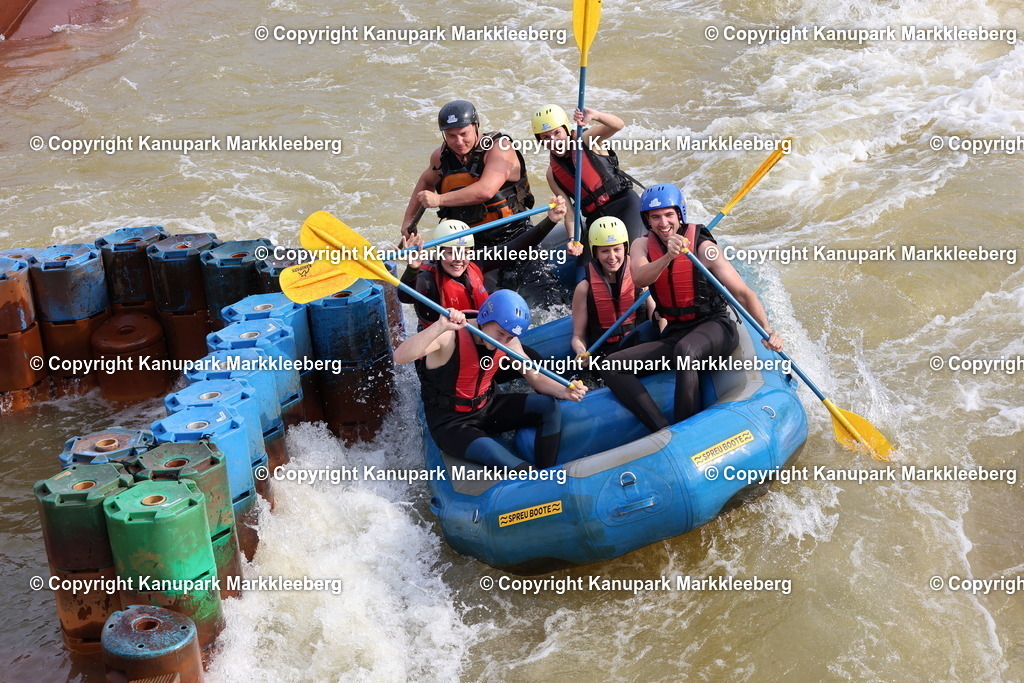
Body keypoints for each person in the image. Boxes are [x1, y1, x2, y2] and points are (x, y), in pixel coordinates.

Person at [598, 184, 784, 432]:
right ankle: (663, 429)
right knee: (612, 365)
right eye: (655, 217)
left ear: (680, 215)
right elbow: (641, 278)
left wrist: (767, 329)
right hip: (677, 332)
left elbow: (742, 292)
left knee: (686, 351)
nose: (663, 223)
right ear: (648, 221)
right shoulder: (641, 245)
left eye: (669, 215)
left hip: (715, 326)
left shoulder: (703, 247)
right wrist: (668, 258)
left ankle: (684, 428)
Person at [394, 290, 587, 470]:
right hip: (452, 423)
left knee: (547, 406)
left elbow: (535, 377)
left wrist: (563, 391)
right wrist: (439, 326)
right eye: (500, 333)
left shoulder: (510, 341)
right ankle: (534, 483)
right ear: (485, 318)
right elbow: (400, 356)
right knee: (516, 466)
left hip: (488, 406)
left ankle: (547, 470)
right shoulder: (449, 337)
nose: (503, 341)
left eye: (509, 336)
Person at [403, 100, 561, 304]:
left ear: (476, 127)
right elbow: (426, 181)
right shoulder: (441, 157)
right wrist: (407, 222)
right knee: (481, 302)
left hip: (514, 234)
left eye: (464, 134)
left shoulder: (499, 148)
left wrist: (439, 199)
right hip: (474, 247)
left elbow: (485, 190)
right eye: (451, 136)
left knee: (546, 298)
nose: (458, 141)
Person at [397, 196, 568, 329]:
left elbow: (515, 247)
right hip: (443, 352)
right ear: (439, 253)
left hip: (475, 337)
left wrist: (551, 220)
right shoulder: (428, 278)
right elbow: (405, 297)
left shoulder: (475, 263)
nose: (459, 259)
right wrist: (412, 269)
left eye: (465, 252)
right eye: (451, 253)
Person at [531, 105, 645, 260]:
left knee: (631, 258)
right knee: (584, 273)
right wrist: (573, 239)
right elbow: (570, 213)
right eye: (545, 137)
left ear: (566, 129)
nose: (553, 140)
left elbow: (618, 125)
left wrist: (595, 115)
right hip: (596, 219)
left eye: (557, 133)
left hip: (624, 205)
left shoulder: (586, 139)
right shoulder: (552, 174)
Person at [570, 216, 657, 358]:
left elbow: (657, 316)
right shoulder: (584, 288)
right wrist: (581, 351)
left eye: (617, 249)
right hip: (606, 353)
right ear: (595, 253)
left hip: (640, 346)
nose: (612, 257)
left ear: (625, 248)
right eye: (605, 251)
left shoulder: (640, 277)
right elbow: (578, 336)